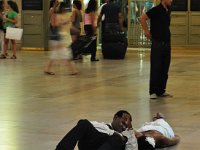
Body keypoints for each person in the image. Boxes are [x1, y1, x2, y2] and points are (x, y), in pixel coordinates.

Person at [55, 110, 138, 150]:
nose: (124, 127)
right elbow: (89, 124)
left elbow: (132, 149)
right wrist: (112, 132)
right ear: (115, 117)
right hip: (90, 145)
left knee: (117, 139)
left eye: (126, 126)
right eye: (123, 123)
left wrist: (130, 129)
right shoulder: (101, 125)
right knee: (83, 123)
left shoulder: (122, 138)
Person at [140, 0, 173, 99]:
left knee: (164, 67)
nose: (171, 0)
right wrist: (146, 31)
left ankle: (161, 90)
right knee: (156, 67)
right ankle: (153, 91)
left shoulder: (168, 10)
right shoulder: (156, 9)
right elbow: (142, 18)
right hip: (157, 43)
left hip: (166, 43)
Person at [44, 2, 78, 75]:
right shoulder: (57, 15)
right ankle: (73, 70)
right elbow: (55, 24)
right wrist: (66, 22)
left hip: (62, 38)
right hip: (60, 38)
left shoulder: (66, 15)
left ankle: (48, 69)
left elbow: (70, 25)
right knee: (66, 54)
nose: (65, 9)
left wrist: (75, 31)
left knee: (56, 54)